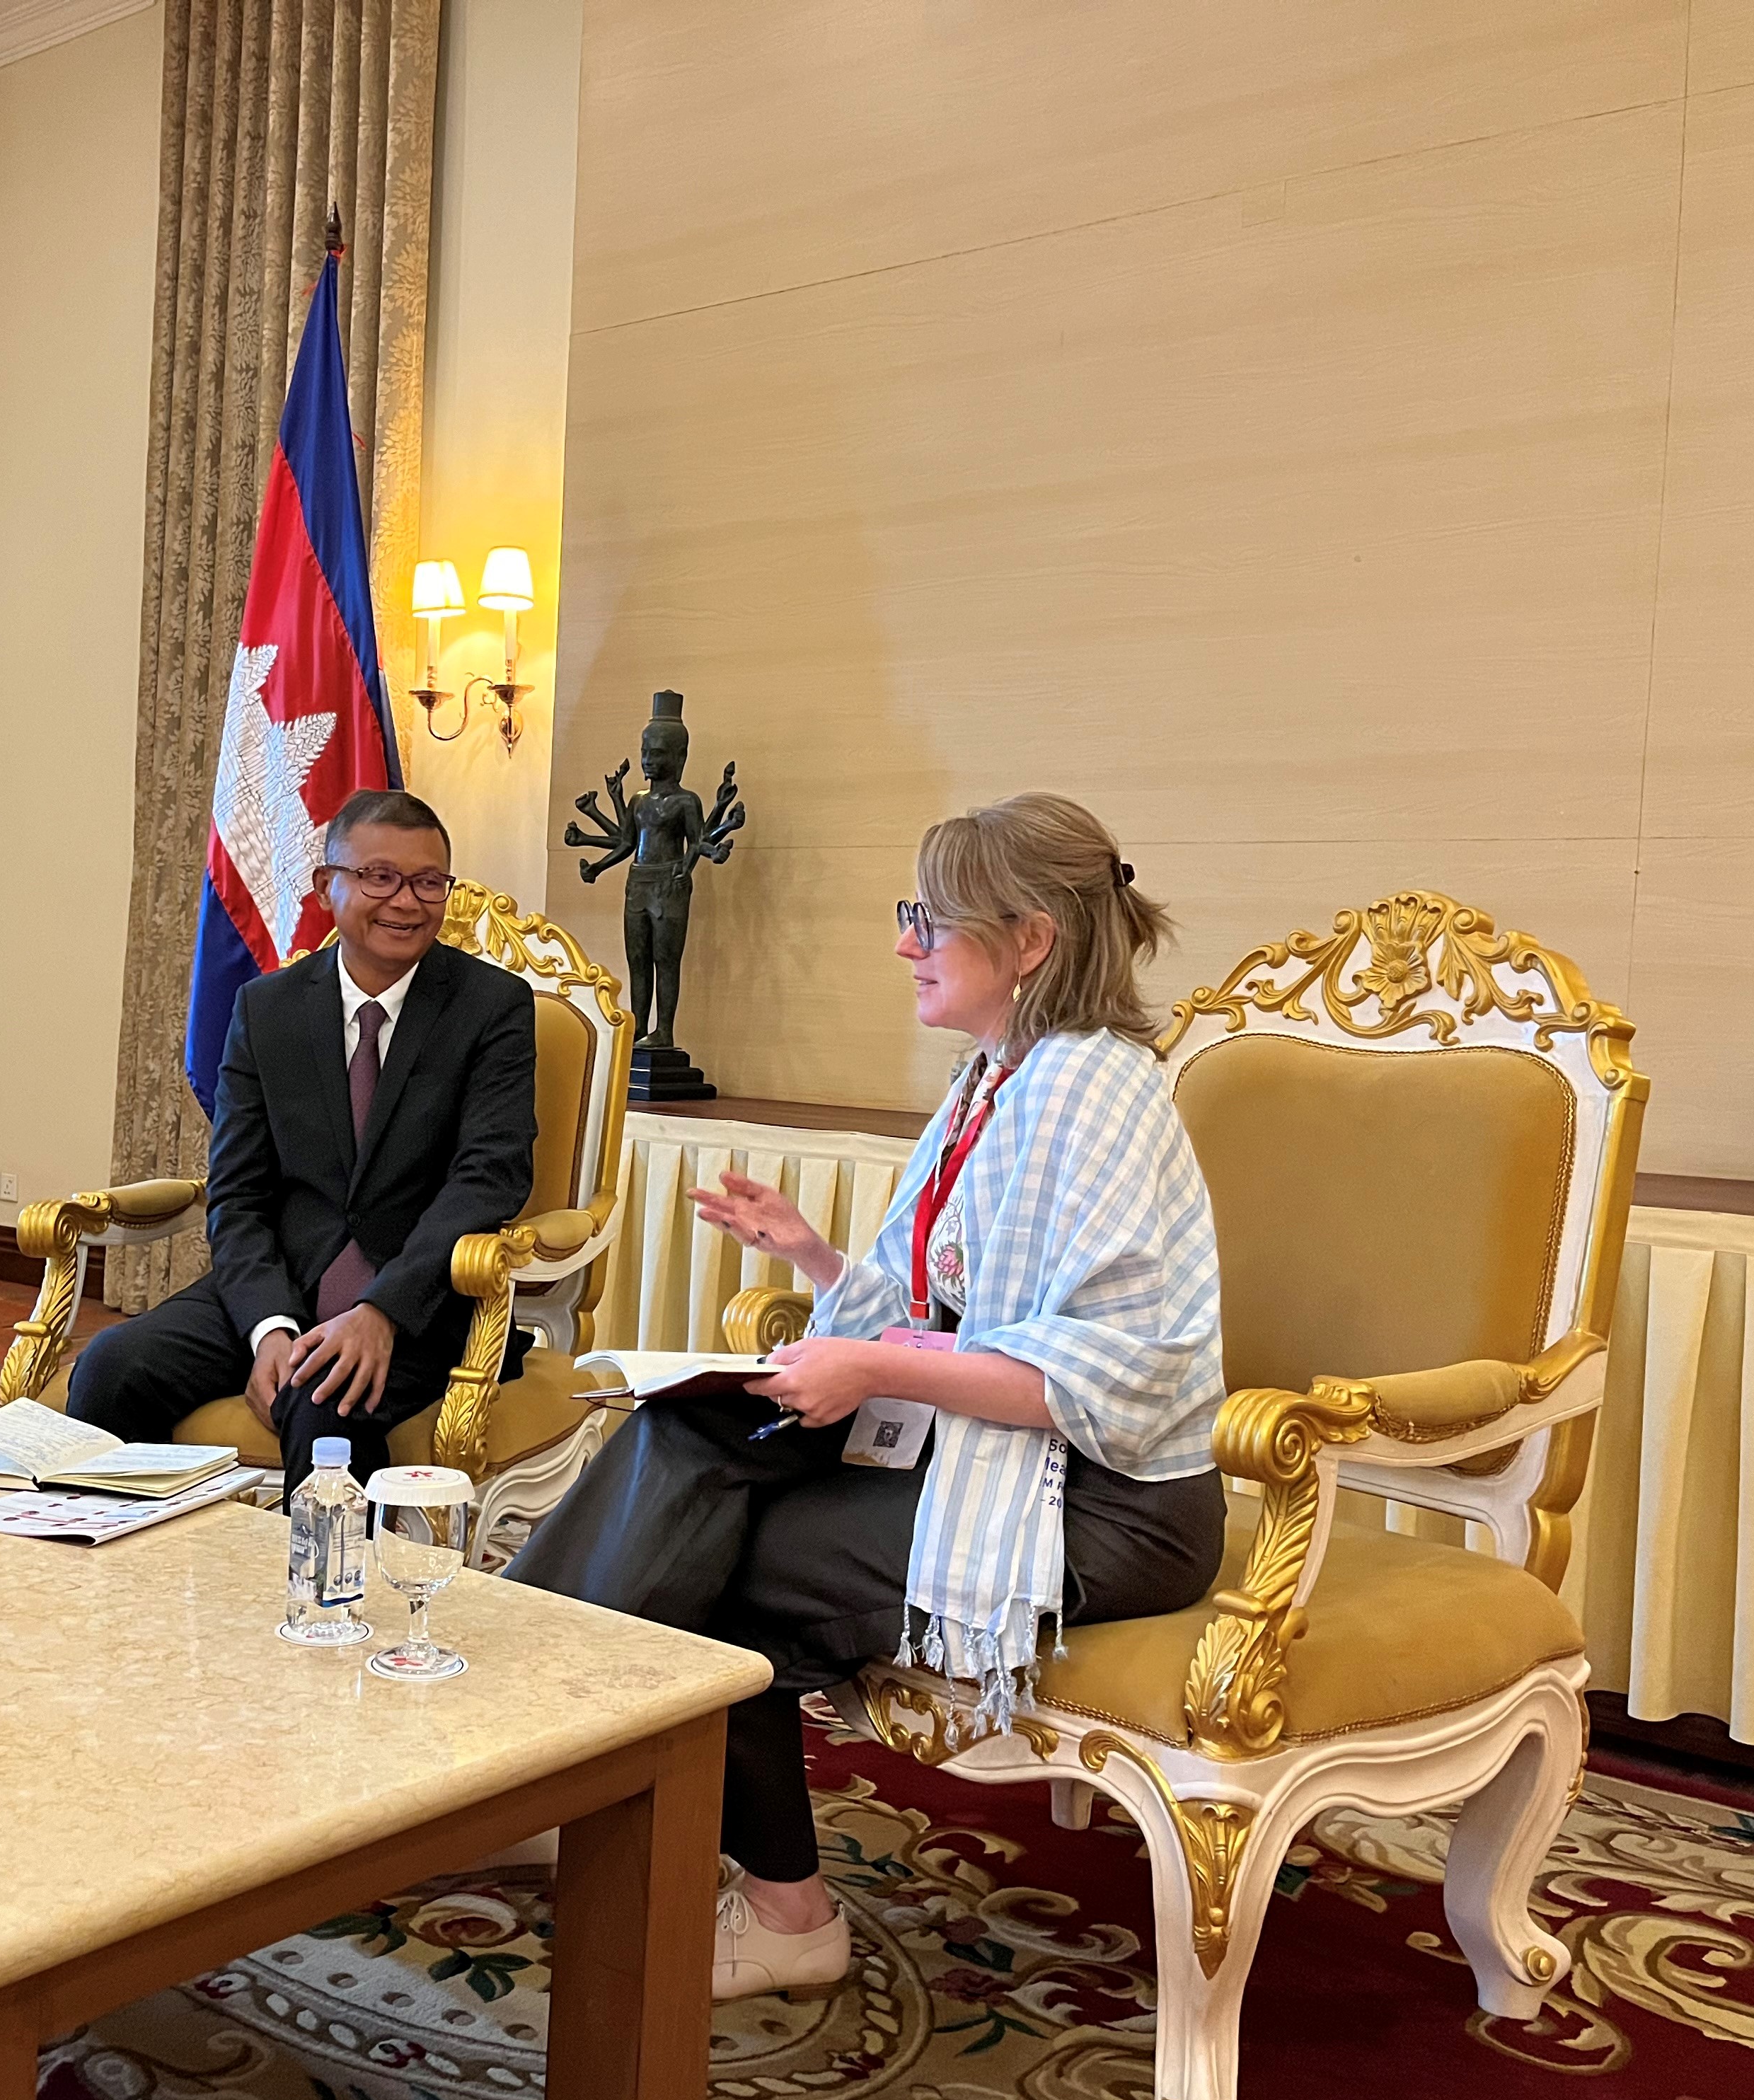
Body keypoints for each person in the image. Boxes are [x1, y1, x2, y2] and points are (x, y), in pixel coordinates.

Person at [506, 792, 1226, 2002]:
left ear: (1030, 940)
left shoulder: (1097, 1093)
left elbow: (1092, 1378)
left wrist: (872, 1363)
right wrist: (817, 1262)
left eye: (926, 918)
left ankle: (689, 1851)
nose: (903, 942)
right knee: (692, 1428)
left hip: (1116, 1506)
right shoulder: (998, 1079)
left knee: (714, 1558)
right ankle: (529, 1739)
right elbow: (949, 1308)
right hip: (996, 1448)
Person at [65, 790, 538, 1494]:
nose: (406, 902)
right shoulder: (267, 1008)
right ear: (327, 886)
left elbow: (488, 1178)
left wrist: (382, 1311)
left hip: (421, 1298)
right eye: (380, 877)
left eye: (428, 882)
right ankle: (123, 1590)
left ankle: (337, 1603)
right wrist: (269, 1329)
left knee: (328, 1403)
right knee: (113, 1366)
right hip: (280, 1280)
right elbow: (239, 1193)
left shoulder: (492, 1007)